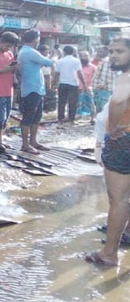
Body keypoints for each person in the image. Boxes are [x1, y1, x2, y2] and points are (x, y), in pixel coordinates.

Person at [85, 35, 130, 266]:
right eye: (111, 51)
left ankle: (109, 254)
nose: (113, 56)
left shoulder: (126, 77)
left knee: (118, 200)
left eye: (119, 52)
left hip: (124, 142)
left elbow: (119, 101)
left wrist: (112, 128)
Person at [16, 29, 55, 155]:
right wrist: (54, 55)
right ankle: (25, 144)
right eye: (38, 38)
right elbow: (48, 62)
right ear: (35, 39)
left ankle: (33, 142)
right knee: (28, 116)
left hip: (36, 88)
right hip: (31, 88)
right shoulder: (30, 52)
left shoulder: (26, 51)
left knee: (36, 116)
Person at [53, 45, 84, 124]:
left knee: (61, 102)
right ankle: (71, 119)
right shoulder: (76, 61)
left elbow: (56, 74)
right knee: (73, 102)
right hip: (73, 84)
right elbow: (79, 73)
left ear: (64, 52)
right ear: (73, 52)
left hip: (62, 83)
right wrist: (83, 83)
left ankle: (60, 119)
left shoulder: (60, 61)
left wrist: (53, 84)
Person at [92, 46, 115, 112]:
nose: (98, 53)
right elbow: (97, 75)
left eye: (100, 52)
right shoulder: (105, 61)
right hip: (106, 89)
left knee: (106, 110)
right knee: (104, 109)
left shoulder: (106, 61)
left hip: (110, 90)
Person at [77, 50, 97, 123]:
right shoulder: (77, 66)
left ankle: (93, 118)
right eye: (84, 56)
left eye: (87, 56)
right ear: (80, 57)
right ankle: (76, 117)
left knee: (91, 103)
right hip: (77, 88)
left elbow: (96, 78)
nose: (87, 57)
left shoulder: (93, 67)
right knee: (77, 103)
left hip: (88, 88)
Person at [37, 44, 57, 113]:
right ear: (41, 52)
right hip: (40, 75)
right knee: (41, 90)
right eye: (44, 52)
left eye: (47, 51)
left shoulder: (49, 58)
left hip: (48, 76)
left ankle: (47, 106)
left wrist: (53, 76)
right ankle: (41, 106)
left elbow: (53, 67)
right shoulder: (39, 58)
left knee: (48, 89)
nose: (46, 53)